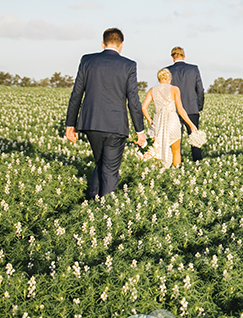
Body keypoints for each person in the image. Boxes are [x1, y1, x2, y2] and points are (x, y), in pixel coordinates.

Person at [65, 28, 146, 199]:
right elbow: (133, 100)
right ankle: (105, 208)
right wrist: (140, 131)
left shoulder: (87, 60)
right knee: (109, 168)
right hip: (115, 125)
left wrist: (70, 125)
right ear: (121, 45)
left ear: (103, 44)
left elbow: (76, 94)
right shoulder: (128, 65)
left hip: (91, 123)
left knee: (101, 162)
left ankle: (93, 199)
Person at [141, 68, 198, 168]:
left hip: (158, 122)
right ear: (169, 78)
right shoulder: (174, 89)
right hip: (172, 121)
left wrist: (150, 121)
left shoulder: (152, 90)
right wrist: (191, 124)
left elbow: (143, 107)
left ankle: (159, 174)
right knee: (176, 151)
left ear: (159, 79)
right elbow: (180, 110)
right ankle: (176, 173)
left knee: (157, 151)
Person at [165, 46, 205, 162]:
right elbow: (200, 90)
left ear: (172, 57)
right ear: (184, 56)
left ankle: (175, 163)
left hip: (174, 109)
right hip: (192, 108)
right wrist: (199, 106)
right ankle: (197, 163)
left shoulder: (167, 71)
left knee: (175, 139)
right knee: (195, 138)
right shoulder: (193, 69)